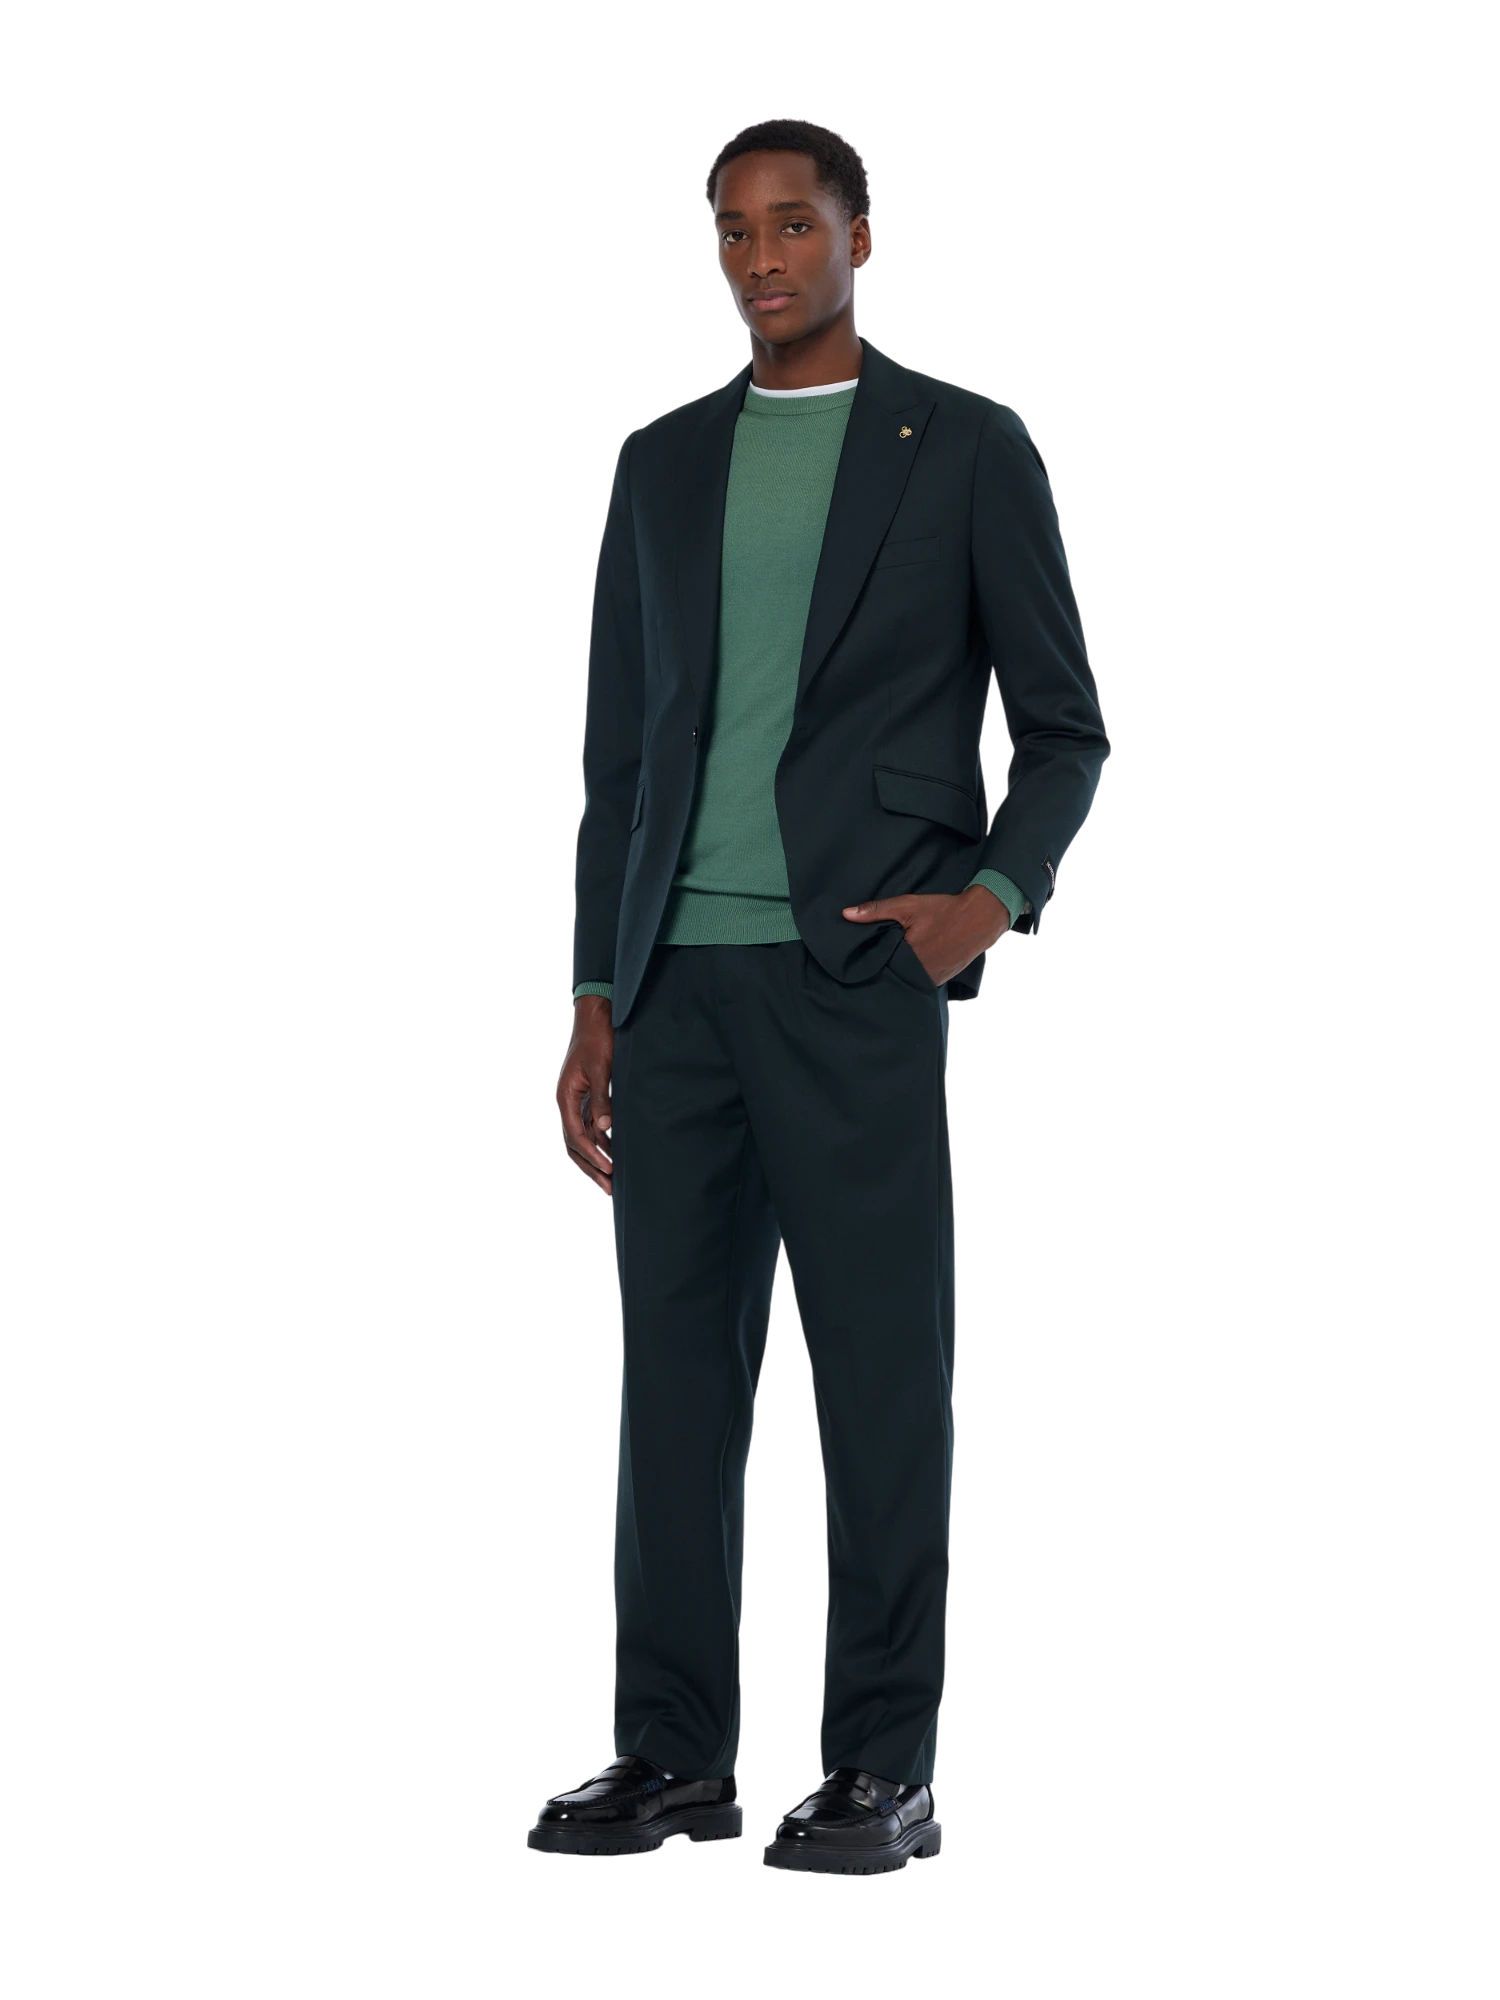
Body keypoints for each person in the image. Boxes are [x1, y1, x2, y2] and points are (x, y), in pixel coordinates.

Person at [536, 118, 1109, 1873]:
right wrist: (593, 995)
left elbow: (1065, 730)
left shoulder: (966, 447)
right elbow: (618, 759)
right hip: (672, 993)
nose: (761, 258)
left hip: (852, 972)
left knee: (877, 1377)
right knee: (673, 1390)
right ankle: (671, 1755)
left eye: (794, 225)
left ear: (860, 238)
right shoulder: (661, 464)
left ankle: (878, 1765)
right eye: (733, 231)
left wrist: (988, 905)